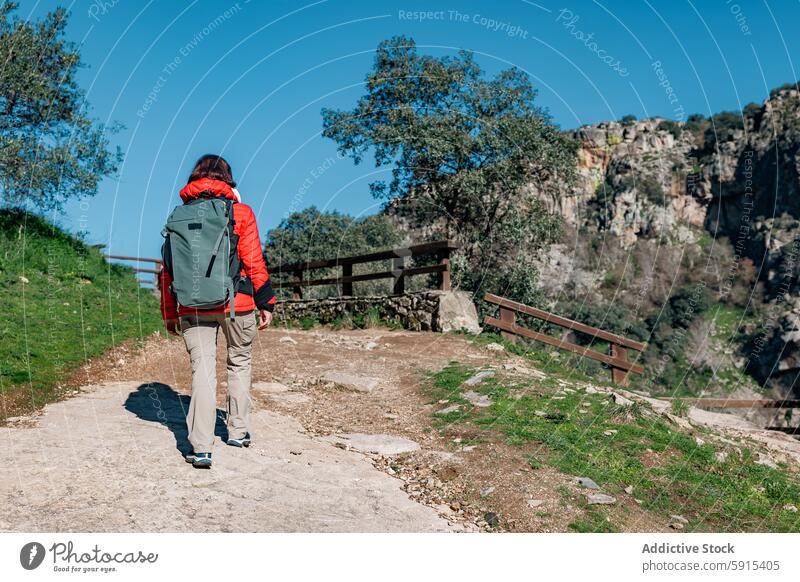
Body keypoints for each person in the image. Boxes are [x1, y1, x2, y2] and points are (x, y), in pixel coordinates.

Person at [159, 154, 276, 468]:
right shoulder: (241, 213)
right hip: (236, 304)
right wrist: (267, 302)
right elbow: (254, 262)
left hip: (191, 305)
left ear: (194, 178)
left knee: (203, 371)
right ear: (228, 179)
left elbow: (168, 269)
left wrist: (169, 311)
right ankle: (237, 431)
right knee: (238, 361)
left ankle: (201, 447)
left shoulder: (179, 215)